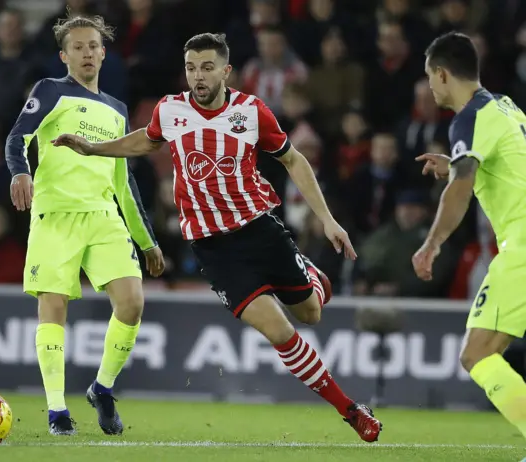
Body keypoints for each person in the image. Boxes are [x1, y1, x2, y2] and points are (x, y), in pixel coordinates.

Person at [52, 32, 383, 443]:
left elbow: (294, 161)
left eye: (207, 67)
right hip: (213, 247)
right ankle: (350, 410)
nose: (198, 76)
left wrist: (328, 220)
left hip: (260, 229)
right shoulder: (171, 110)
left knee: (311, 313)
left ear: (226, 71)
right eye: (191, 68)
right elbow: (145, 140)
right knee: (281, 333)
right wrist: (94, 148)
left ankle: (309, 274)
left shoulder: (252, 112)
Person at [4, 13, 164, 437]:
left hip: (103, 217)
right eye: (78, 46)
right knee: (54, 307)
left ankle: (102, 387)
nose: (87, 52)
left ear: (104, 52)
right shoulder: (50, 91)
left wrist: (147, 241)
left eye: (93, 45)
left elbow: (124, 183)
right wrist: (20, 172)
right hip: (55, 216)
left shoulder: (116, 110)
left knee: (131, 304)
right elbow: (17, 137)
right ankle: (57, 411)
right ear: (64, 55)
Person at [414, 31, 526, 441]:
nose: (429, 87)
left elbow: (461, 187)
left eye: (429, 77)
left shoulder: (470, 117)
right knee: (487, 351)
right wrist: (455, 161)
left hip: (523, 246)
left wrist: (432, 243)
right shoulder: (505, 108)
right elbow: (508, 164)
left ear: (442, 74)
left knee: (477, 354)